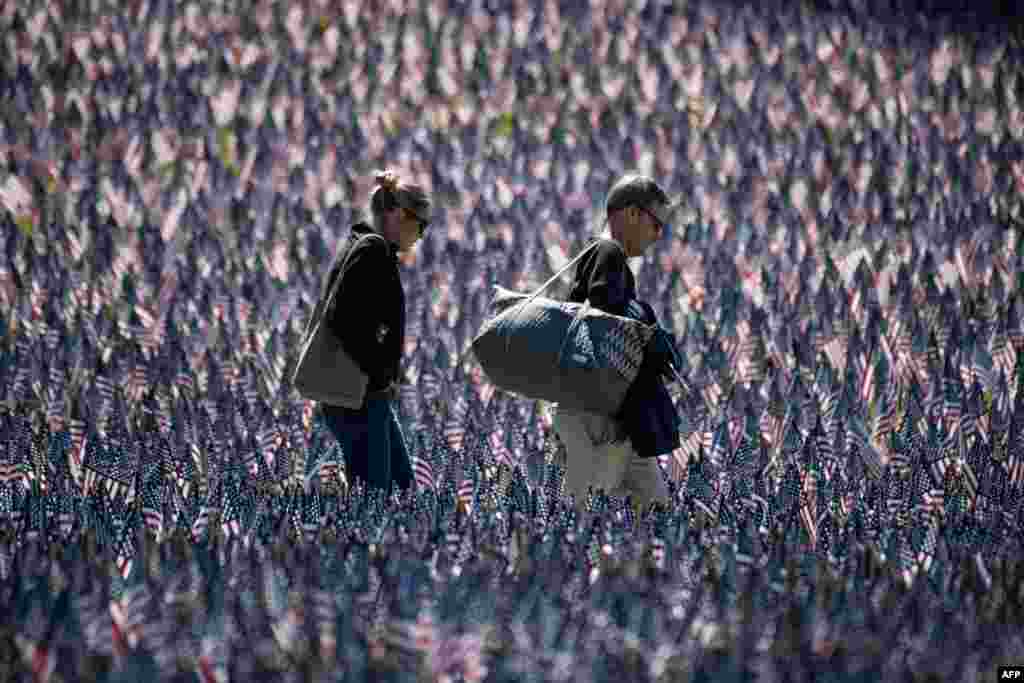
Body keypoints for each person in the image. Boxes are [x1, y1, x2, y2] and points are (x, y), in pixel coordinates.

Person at [552, 173, 682, 516]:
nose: (658, 235)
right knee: (581, 512)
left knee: (656, 508)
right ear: (631, 214)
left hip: (620, 412)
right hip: (596, 415)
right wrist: (649, 330)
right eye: (656, 224)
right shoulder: (607, 251)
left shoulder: (605, 256)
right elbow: (606, 313)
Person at [317, 170, 431, 495]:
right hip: (357, 395)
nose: (421, 235)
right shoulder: (371, 252)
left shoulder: (370, 248)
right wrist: (378, 371)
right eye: (420, 224)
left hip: (365, 394)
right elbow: (342, 319)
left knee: (401, 490)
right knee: (376, 498)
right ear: (397, 215)